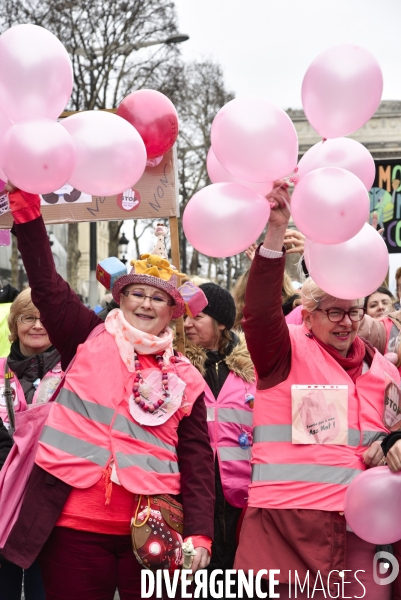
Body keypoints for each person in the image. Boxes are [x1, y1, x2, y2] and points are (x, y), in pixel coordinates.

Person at [2, 185, 215, 600]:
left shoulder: (187, 377)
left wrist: (202, 534)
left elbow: (198, 462)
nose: (146, 304)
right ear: (121, 297)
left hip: (155, 532)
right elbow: (45, 284)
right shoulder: (85, 335)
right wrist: (26, 211)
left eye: (158, 298)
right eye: (137, 293)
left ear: (173, 312)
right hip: (72, 528)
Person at [234, 181, 398, 599]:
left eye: (353, 311)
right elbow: (257, 314)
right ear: (307, 316)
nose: (346, 321)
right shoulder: (282, 354)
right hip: (284, 531)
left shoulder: (384, 371)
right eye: (333, 312)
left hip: (362, 530)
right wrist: (275, 235)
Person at [184, 283, 256, 596]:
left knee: (241, 579)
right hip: (196, 493)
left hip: (242, 496)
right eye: (184, 316)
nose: (187, 323)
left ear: (222, 322)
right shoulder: (179, 366)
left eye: (197, 316)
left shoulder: (249, 370)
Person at [0, 287, 62, 600]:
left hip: (51, 502)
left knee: (45, 590)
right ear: (15, 325)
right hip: (1, 501)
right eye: (28, 318)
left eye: (44, 318)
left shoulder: (72, 374)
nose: (37, 325)